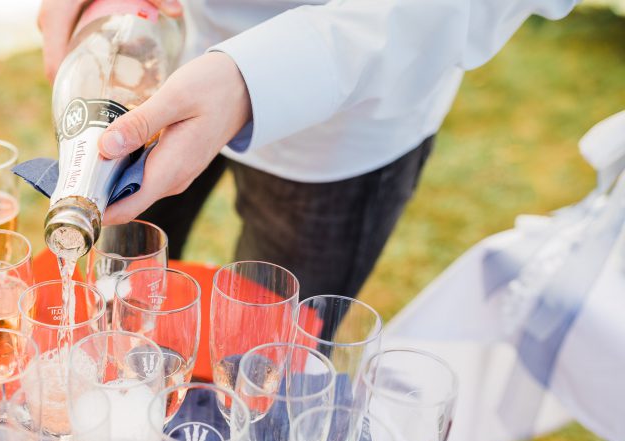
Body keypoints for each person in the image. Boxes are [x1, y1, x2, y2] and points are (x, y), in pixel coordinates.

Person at [38, 0, 578, 299]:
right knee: (119, 303)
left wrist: (259, 76)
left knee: (264, 357)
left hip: (344, 103)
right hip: (160, 53)